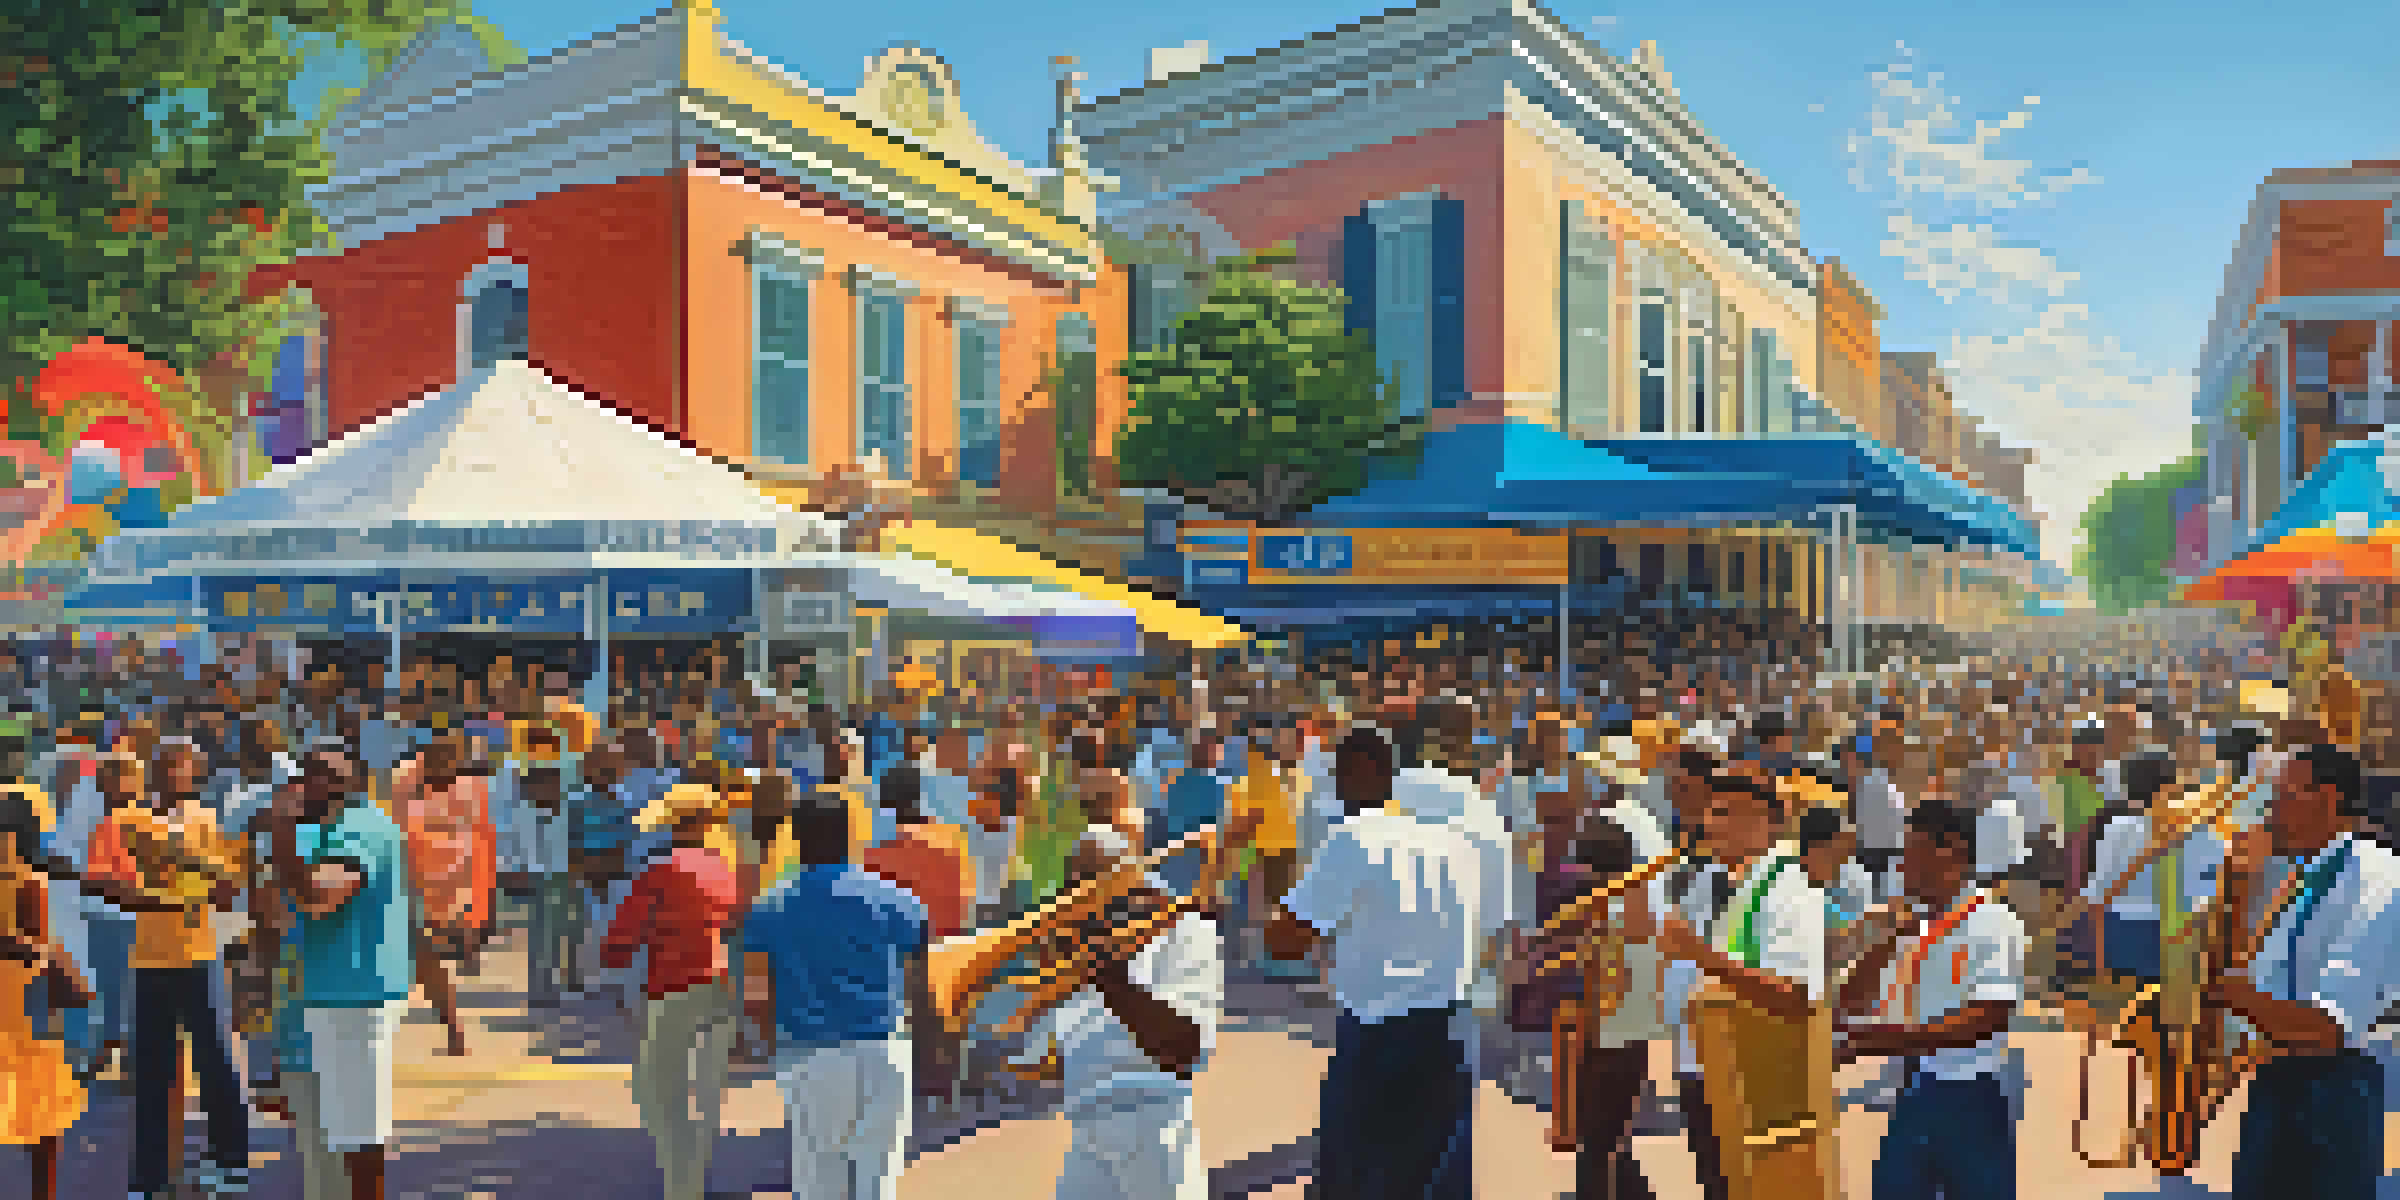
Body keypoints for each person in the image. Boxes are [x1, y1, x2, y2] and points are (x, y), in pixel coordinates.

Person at [1268, 717, 1505, 1200]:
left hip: (1380, 1036)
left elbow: (1286, 939)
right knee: (1436, 1180)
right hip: (1450, 1033)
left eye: (1339, 773)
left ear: (1365, 768)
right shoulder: (1454, 843)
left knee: (1359, 1179)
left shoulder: (1354, 837)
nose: (1334, 787)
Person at [2214, 744, 2400, 1200]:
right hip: (2281, 1081)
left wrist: (2221, 992)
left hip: (2331, 1094)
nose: (2271, 810)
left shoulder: (2377, 878)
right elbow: (2262, 980)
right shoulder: (2302, 876)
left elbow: (2325, 1028)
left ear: (2328, 798)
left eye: (2284, 795)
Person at [743, 783, 934, 1200]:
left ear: (796, 840)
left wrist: (768, 1047)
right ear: (850, 837)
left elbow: (756, 996)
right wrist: (928, 1050)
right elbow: (921, 983)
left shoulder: (768, 907)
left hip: (809, 1054)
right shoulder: (899, 899)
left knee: (817, 1180)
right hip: (884, 1050)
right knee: (877, 1180)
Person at [1013, 824, 1223, 1200]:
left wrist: (1108, 977)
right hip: (1087, 1129)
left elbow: (1185, 1050)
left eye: (1096, 882)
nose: (1083, 898)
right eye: (1076, 885)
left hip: (1155, 1126)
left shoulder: (1187, 932)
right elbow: (1044, 1061)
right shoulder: (1075, 944)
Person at [1646, 767, 1825, 1200]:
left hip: (1754, 1080)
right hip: (1703, 1064)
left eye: (1727, 813)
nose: (1711, 823)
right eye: (1711, 811)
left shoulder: (1788, 892)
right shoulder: (1712, 881)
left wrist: (1700, 954)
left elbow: (1796, 997)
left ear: (1767, 822)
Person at [88, 737, 253, 1199]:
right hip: (150, 962)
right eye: (164, 764)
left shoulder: (205, 819)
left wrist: (184, 864)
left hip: (201, 956)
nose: (172, 774)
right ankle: (150, 1177)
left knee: (217, 1064)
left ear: (196, 773)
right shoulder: (122, 822)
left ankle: (231, 1163)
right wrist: (165, 897)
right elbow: (104, 884)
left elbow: (226, 888)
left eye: (183, 766)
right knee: (152, 1073)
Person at [1835, 797, 2024, 1200]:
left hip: (1973, 1096)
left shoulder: (1992, 922)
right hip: (1917, 1088)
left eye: (1913, 851)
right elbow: (1846, 1009)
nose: (1902, 866)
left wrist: (1874, 1042)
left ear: (1952, 851)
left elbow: (1983, 1021)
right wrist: (1886, 939)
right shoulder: (1916, 927)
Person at [259, 743, 413, 1200]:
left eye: (328, 772)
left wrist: (281, 826)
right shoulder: (322, 832)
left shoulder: (362, 828)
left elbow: (319, 898)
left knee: (358, 1139)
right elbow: (271, 912)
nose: (314, 782)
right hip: (315, 999)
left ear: (357, 779)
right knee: (320, 1140)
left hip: (354, 1001)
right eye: (308, 772)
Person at [602, 782, 742, 1200]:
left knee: (662, 1092)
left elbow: (622, 938)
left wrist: (613, 956)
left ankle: (684, 1188)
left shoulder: (660, 870)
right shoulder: (724, 867)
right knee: (708, 1091)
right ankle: (697, 1174)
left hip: (674, 988)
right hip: (723, 987)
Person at [0, 778, 88, 1200]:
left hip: (20, 1004)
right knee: (38, 1112)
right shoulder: (29, 879)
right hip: (22, 1005)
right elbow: (38, 947)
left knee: (37, 1110)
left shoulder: (28, 880)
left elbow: (34, 946)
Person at [389, 736, 492, 1057]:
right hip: (402, 881)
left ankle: (453, 1030)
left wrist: (474, 908)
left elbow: (479, 846)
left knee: (427, 962)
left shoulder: (471, 788)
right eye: (438, 753)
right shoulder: (404, 779)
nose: (447, 761)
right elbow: (396, 831)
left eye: (453, 754)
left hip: (443, 889)